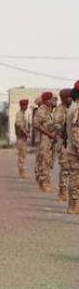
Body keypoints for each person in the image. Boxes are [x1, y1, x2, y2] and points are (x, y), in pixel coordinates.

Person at [33, 91, 56, 192]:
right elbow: (36, 124)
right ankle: (42, 183)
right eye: (51, 99)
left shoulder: (49, 110)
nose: (53, 101)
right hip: (44, 139)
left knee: (48, 160)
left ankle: (47, 181)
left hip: (50, 139)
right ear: (47, 100)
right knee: (44, 160)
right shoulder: (42, 110)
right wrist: (49, 134)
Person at [53, 89, 72, 200]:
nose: (70, 99)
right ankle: (62, 191)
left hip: (72, 142)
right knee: (65, 167)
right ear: (63, 98)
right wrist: (64, 129)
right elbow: (56, 124)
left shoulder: (72, 108)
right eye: (68, 97)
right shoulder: (59, 110)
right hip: (63, 142)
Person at [64, 82, 79, 214]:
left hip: (73, 148)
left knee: (74, 177)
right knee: (75, 178)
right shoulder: (77, 109)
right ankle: (74, 206)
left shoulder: (73, 107)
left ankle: (73, 205)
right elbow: (76, 132)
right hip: (76, 150)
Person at [15, 99, 30, 179]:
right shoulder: (19, 114)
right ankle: (22, 173)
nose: (26, 107)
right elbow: (19, 125)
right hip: (20, 137)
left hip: (23, 137)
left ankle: (22, 172)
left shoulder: (23, 114)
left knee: (23, 155)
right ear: (21, 106)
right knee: (21, 156)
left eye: (26, 105)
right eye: (25, 105)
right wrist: (26, 133)